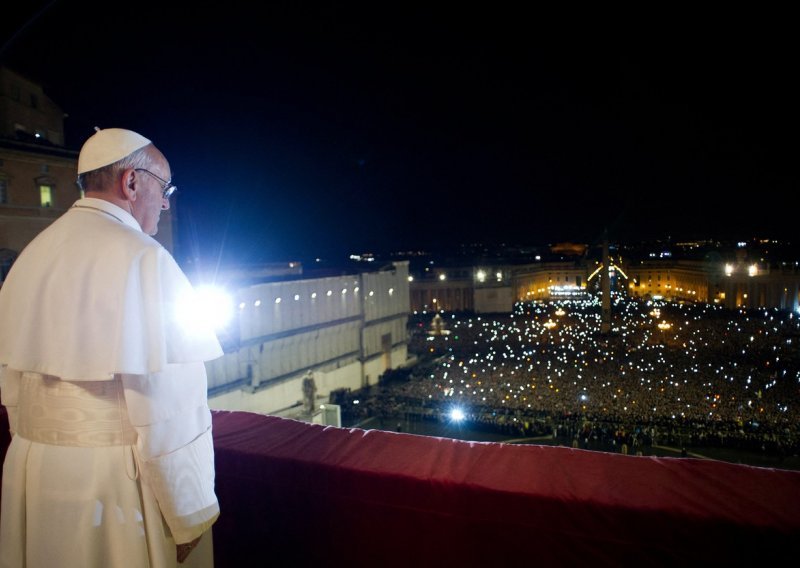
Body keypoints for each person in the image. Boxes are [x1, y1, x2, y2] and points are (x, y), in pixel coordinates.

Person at [0, 128, 224, 567]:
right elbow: (171, 408)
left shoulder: (31, 253)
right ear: (132, 182)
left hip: (33, 470)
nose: (165, 202)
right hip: (117, 488)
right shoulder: (146, 258)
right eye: (164, 188)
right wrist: (187, 511)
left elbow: (11, 385)